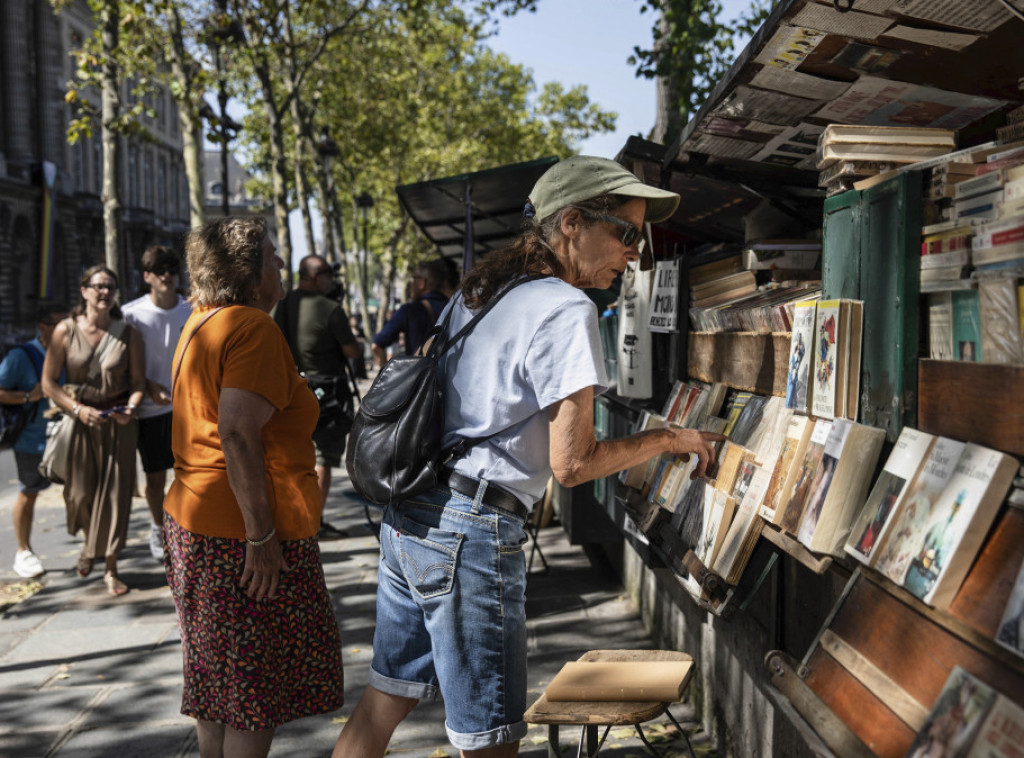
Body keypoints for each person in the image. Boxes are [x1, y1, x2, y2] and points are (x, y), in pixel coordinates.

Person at [333, 156, 723, 758]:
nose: (635, 254)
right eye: (626, 233)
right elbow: (573, 464)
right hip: (470, 531)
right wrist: (669, 440)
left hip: (414, 514)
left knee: (385, 700)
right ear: (571, 222)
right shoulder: (568, 309)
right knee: (489, 740)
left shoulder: (481, 290)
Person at [164, 217, 344, 756]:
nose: (282, 265)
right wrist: (262, 538)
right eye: (272, 256)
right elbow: (237, 430)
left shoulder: (203, 320)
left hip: (195, 522)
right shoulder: (253, 327)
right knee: (252, 691)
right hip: (239, 533)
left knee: (216, 682)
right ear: (247, 272)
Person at [42, 265, 146, 596]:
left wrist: (130, 408)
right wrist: (77, 409)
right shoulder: (64, 330)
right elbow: (48, 383)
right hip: (79, 422)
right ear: (84, 290)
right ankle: (90, 546)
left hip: (118, 423)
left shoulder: (128, 333)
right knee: (80, 495)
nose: (105, 293)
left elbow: (138, 383)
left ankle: (111, 568)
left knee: (115, 499)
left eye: (111, 288)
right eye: (99, 286)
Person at [273, 254, 361, 537]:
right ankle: (315, 521)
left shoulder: (283, 304)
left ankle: (293, 516)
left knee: (296, 454)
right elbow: (352, 352)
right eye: (327, 274)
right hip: (328, 394)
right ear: (314, 276)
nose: (331, 279)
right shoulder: (330, 308)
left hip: (291, 389)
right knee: (324, 456)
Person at [122, 245, 192, 561]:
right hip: (151, 410)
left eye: (172, 269)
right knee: (154, 477)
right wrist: (147, 385)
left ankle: (188, 527)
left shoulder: (192, 308)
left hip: (188, 408)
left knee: (190, 474)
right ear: (147, 276)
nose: (167, 275)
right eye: (159, 270)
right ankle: (156, 525)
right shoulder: (131, 313)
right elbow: (122, 363)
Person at [0, 302, 68, 577]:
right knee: (29, 493)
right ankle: (23, 551)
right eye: (59, 323)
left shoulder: (72, 350)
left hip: (66, 436)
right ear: (43, 327)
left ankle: (91, 546)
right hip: (31, 440)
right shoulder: (21, 355)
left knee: (80, 491)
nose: (66, 328)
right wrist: (30, 396)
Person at [371, 258, 450, 368]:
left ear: (422, 283)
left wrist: (386, 379)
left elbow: (376, 345)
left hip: (420, 381)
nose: (410, 283)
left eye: (413, 278)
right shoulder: (454, 308)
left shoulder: (410, 310)